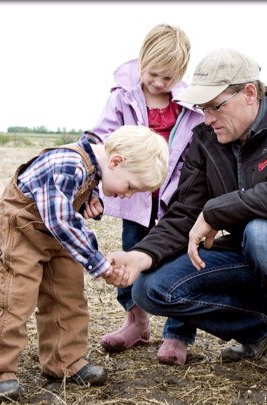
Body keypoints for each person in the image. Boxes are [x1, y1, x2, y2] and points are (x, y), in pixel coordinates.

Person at [105, 48, 267, 388]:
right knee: (150, 288)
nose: (207, 117)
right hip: (251, 254)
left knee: (263, 233)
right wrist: (138, 256)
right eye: (202, 108)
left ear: (249, 93)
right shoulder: (206, 141)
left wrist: (215, 211)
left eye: (215, 106)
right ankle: (259, 326)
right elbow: (185, 213)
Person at [0, 125, 169, 400]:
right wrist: (99, 265)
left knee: (68, 295)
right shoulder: (68, 164)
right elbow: (60, 219)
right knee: (14, 298)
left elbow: (66, 210)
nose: (128, 195)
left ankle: (64, 361)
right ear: (115, 162)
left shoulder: (93, 167)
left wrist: (91, 196)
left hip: (56, 236)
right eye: (131, 186)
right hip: (23, 230)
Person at [92, 23, 203, 366]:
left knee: (178, 262)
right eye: (153, 74)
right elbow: (101, 139)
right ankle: (136, 322)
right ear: (142, 62)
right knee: (130, 255)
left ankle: (177, 334)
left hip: (174, 201)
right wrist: (93, 187)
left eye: (168, 78)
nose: (158, 83)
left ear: (180, 75)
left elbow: (193, 155)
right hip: (136, 200)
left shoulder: (189, 105)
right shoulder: (123, 96)